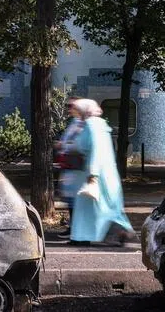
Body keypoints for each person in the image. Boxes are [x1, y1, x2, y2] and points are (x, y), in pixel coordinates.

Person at [68, 98, 135, 246]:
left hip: (96, 174)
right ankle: (117, 232)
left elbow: (95, 151)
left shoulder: (91, 125)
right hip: (105, 173)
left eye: (78, 110)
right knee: (105, 206)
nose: (76, 113)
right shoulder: (99, 125)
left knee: (94, 206)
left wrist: (93, 175)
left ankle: (83, 236)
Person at [54, 99, 86, 239]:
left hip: (76, 167)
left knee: (75, 199)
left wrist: (64, 146)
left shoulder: (82, 124)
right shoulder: (74, 123)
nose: (69, 108)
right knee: (71, 199)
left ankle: (76, 229)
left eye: (72, 106)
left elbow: (77, 144)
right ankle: (73, 227)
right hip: (70, 166)